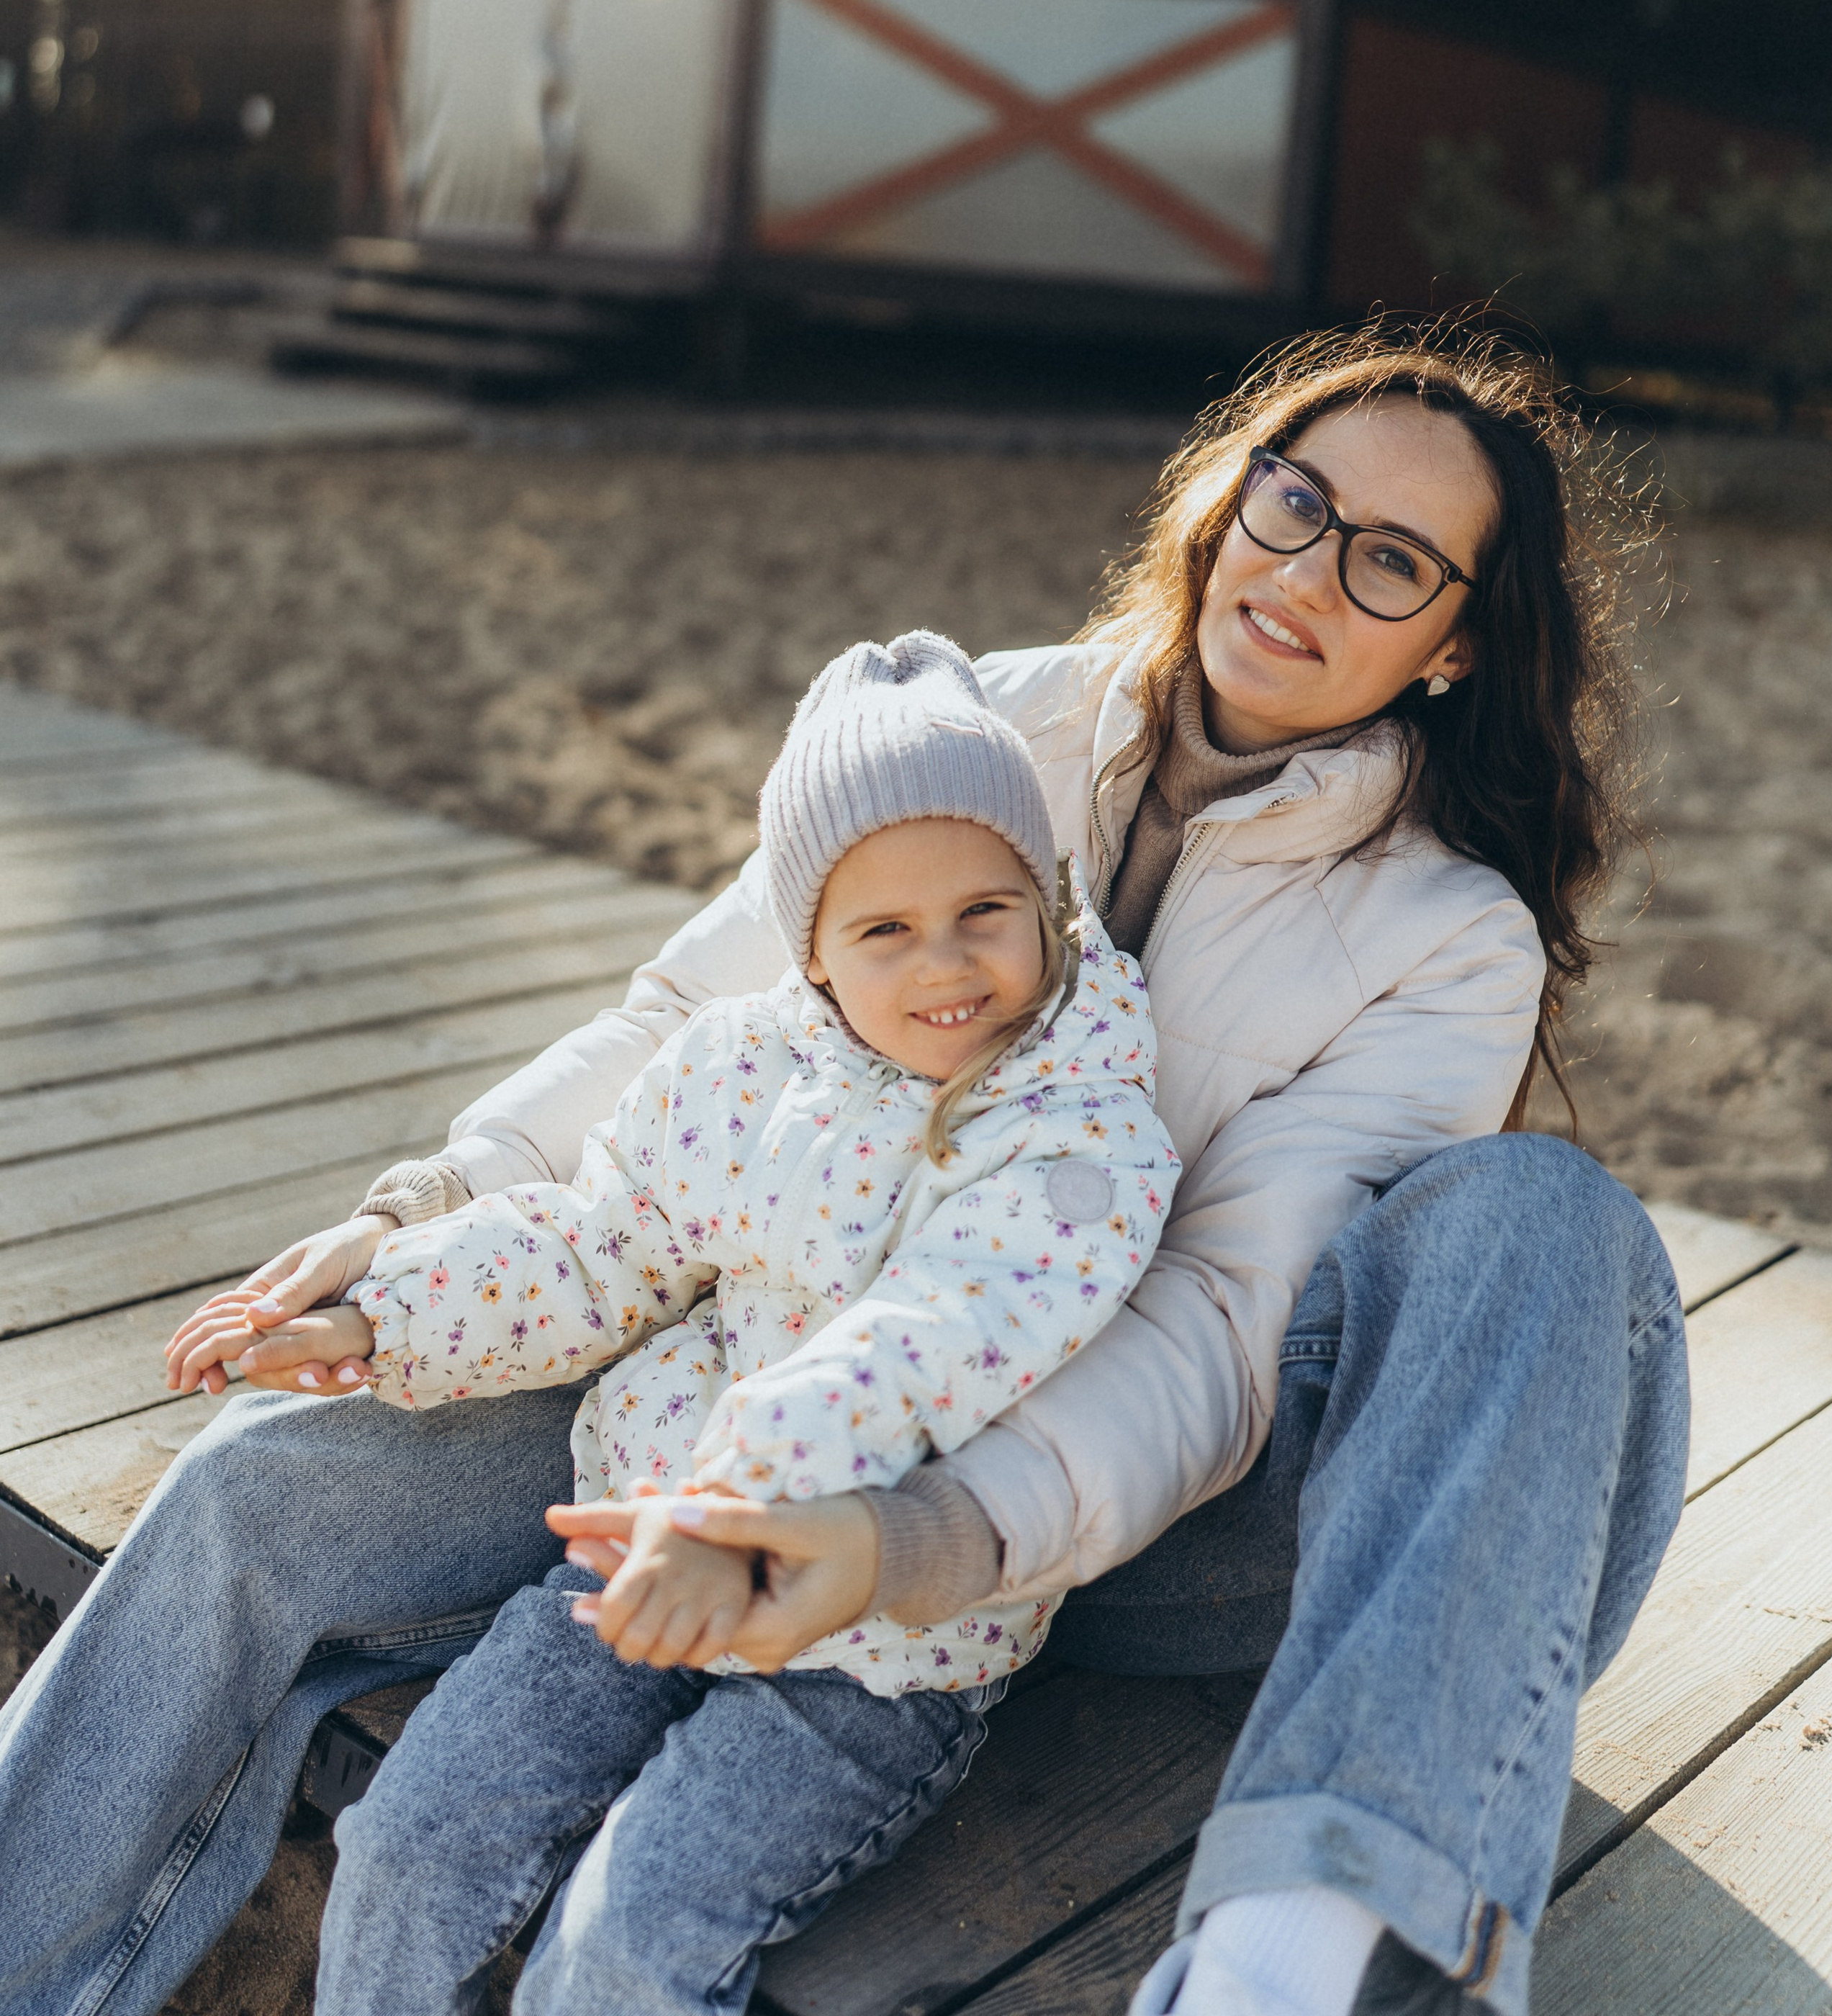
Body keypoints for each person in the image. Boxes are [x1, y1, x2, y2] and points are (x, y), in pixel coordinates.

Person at [0, 322, 1687, 2016]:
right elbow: (687, 1019)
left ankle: (1298, 1960)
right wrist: (416, 1220)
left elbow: (1216, 1321)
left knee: (1538, 1215)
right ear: (1224, 499)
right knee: (254, 1478)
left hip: (1119, 1526)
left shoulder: (1445, 934)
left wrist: (914, 1533)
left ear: (1457, 642)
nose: (1307, 568)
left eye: (1389, 560)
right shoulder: (974, 722)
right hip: (766, 1381)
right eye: (1293, 498)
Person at [171, 629, 1177, 2014]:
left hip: (875, 1657)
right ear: (814, 952)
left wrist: (734, 1495)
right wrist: (378, 1320)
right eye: (884, 929)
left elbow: (934, 1336)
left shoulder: (1082, 1130)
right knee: (408, 1837)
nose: (947, 965)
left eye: (986, 911)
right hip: (629, 1568)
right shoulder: (741, 1070)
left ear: (1050, 901)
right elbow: (602, 1245)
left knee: (626, 1942)